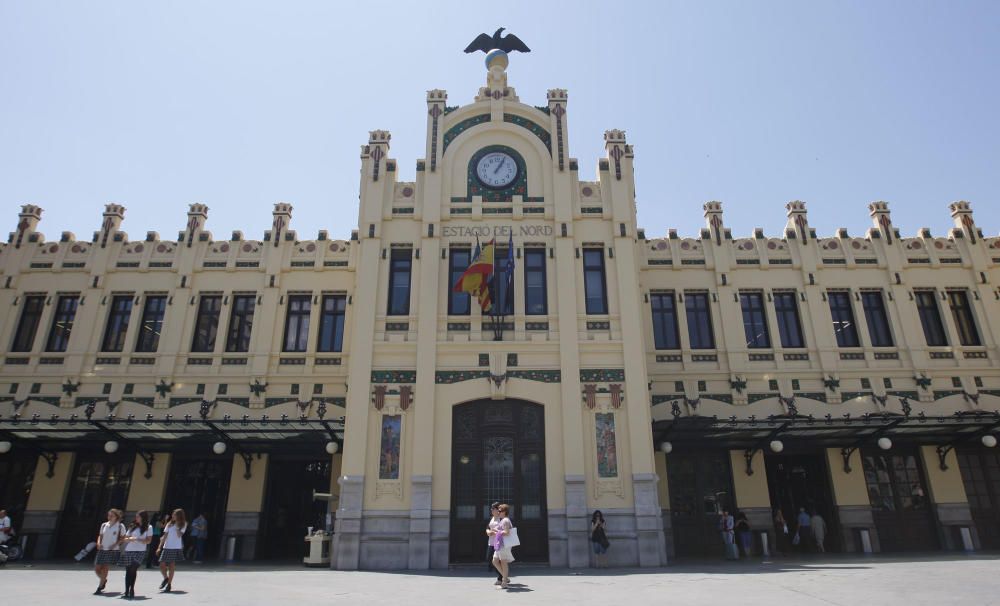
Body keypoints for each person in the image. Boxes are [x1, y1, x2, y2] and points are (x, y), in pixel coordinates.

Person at [120, 510, 152, 599]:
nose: (136, 518)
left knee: (133, 569)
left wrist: (138, 539)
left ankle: (132, 589)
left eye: (138, 516)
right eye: (136, 516)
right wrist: (130, 539)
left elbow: (149, 540)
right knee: (128, 570)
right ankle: (127, 590)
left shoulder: (149, 527)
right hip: (129, 550)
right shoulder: (132, 526)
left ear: (143, 517)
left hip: (140, 551)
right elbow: (125, 538)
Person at [93, 509, 125, 595]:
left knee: (105, 567)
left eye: (111, 516)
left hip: (112, 550)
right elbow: (100, 535)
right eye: (108, 515)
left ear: (116, 517)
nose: (109, 517)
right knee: (97, 568)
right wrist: (98, 543)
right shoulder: (104, 525)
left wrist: (115, 545)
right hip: (102, 548)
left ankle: (99, 587)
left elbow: (122, 538)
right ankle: (103, 580)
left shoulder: (120, 526)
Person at [156, 508, 187, 593]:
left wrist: (176, 526)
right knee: (162, 564)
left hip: (175, 547)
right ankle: (166, 578)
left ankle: (169, 584)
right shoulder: (169, 524)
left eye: (174, 515)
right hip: (167, 547)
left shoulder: (183, 524)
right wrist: (159, 547)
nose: (172, 516)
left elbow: (179, 535)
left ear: (178, 516)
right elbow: (165, 535)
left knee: (171, 566)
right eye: (172, 514)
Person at [487, 503, 514, 589]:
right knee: (494, 561)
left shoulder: (505, 520)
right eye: (498, 510)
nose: (498, 512)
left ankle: (504, 582)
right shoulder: (502, 520)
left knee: (503, 562)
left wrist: (496, 532)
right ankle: (505, 578)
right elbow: (500, 530)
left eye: (500, 511)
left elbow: (507, 532)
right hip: (499, 544)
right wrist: (494, 530)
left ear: (504, 512)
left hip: (503, 545)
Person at [485, 503, 503, 586]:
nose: (491, 510)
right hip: (491, 542)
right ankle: (504, 575)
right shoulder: (492, 518)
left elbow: (505, 531)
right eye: (491, 509)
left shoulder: (502, 519)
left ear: (497, 510)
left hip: (499, 543)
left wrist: (494, 532)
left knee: (497, 561)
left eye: (493, 509)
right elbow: (488, 528)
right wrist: (488, 532)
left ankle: (500, 579)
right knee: (489, 559)